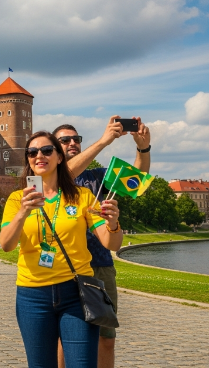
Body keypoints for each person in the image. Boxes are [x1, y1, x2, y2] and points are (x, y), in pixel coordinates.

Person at [0, 131, 122, 367]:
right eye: (32, 152)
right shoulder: (17, 199)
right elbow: (6, 245)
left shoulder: (82, 196)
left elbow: (112, 244)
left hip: (76, 293)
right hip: (32, 295)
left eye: (47, 150)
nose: (39, 156)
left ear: (59, 157)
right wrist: (23, 212)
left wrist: (113, 223)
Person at [53, 118, 150, 368]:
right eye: (66, 140)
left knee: (106, 338)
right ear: (54, 147)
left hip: (101, 265)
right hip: (67, 267)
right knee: (66, 338)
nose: (73, 143)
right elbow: (68, 172)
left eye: (77, 139)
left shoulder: (97, 176)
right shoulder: (51, 178)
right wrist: (105, 141)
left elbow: (136, 182)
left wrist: (143, 149)